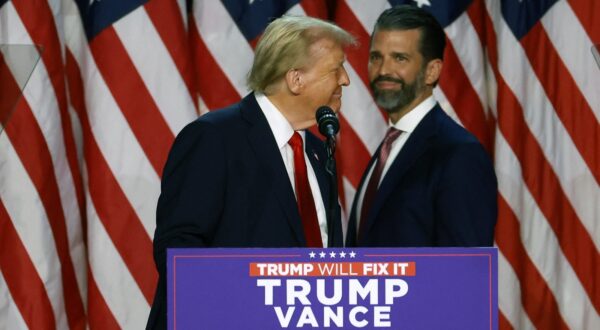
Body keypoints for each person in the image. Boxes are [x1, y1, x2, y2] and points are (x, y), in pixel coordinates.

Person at [147, 16, 356, 329]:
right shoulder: (214, 138)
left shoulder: (316, 150)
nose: (346, 80)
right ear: (296, 79)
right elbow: (178, 250)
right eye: (336, 68)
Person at [346, 5, 497, 248]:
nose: (384, 70)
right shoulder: (388, 147)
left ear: (432, 71)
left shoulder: (459, 154)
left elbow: (464, 272)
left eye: (400, 58)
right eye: (376, 57)